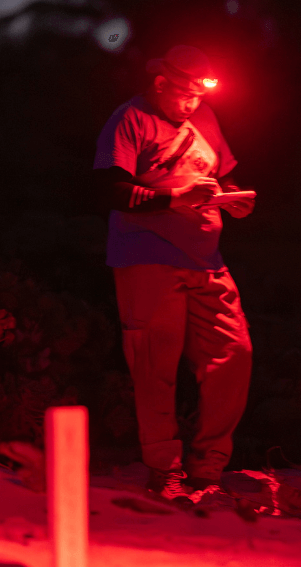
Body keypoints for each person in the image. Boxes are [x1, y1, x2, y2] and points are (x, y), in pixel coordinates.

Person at [91, 45, 255, 501]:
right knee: (153, 365)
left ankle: (209, 468)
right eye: (184, 94)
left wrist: (234, 197)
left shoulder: (205, 120)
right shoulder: (131, 119)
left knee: (234, 352)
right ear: (160, 84)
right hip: (146, 257)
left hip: (206, 259)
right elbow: (110, 187)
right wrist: (172, 201)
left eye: (198, 96)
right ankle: (165, 469)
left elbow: (224, 175)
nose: (192, 104)